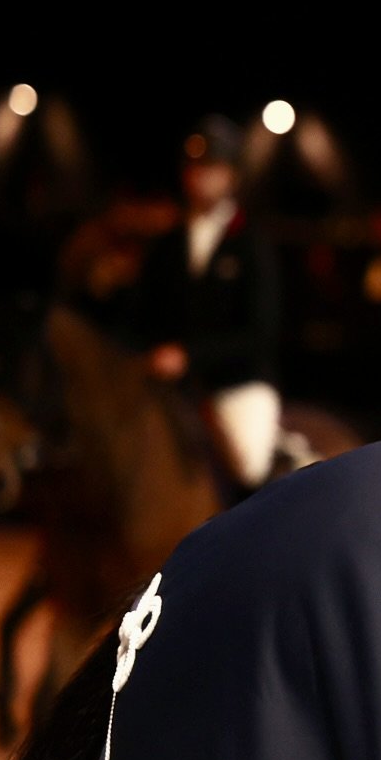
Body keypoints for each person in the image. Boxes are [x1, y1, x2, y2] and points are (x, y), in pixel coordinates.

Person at [130, 117, 284, 492]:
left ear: (230, 175)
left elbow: (262, 332)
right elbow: (140, 315)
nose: (200, 177)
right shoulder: (166, 245)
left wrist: (189, 355)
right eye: (194, 168)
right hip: (170, 390)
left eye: (210, 168)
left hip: (236, 386)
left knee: (248, 466)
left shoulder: (251, 244)